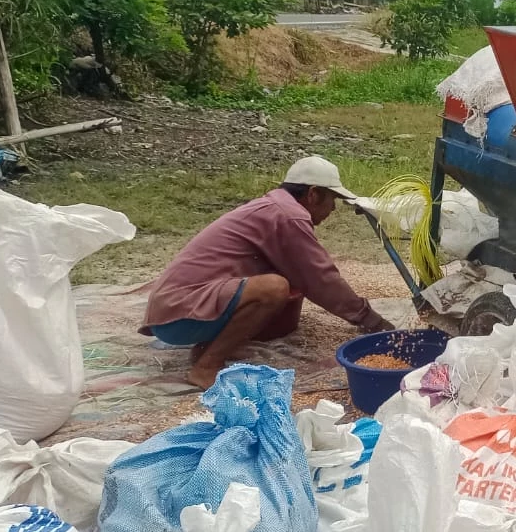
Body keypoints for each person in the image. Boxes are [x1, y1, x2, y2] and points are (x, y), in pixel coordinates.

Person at [141, 156, 395, 389]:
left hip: (185, 306)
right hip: (178, 313)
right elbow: (320, 278)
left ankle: (208, 346)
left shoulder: (278, 207)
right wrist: (370, 320)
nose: (333, 209)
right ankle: (206, 366)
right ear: (314, 194)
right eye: (332, 200)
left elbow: (307, 276)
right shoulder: (288, 216)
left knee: (288, 299)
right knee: (274, 288)